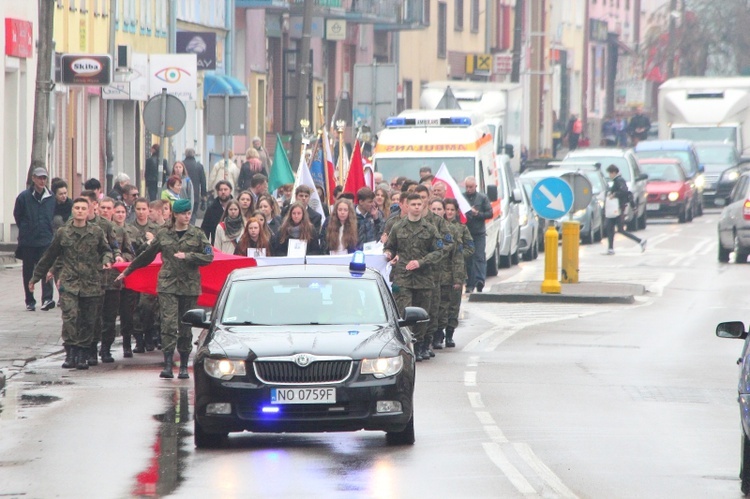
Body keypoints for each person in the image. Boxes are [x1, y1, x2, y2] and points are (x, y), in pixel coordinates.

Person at [116, 199, 214, 379]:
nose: (187, 216)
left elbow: (209, 256)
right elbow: (147, 256)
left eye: (189, 213)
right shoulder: (163, 234)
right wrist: (128, 270)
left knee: (185, 326)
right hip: (168, 285)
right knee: (168, 324)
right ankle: (168, 364)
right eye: (183, 213)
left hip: (189, 286)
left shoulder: (197, 234)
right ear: (175, 215)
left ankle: (184, 365)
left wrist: (189, 256)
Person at [30, 197, 113, 369]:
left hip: (91, 283)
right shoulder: (63, 232)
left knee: (88, 320)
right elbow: (49, 256)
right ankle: (70, 352)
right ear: (73, 211)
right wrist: (35, 277)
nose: (80, 211)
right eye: (77, 208)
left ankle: (82, 353)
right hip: (69, 282)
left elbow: (106, 250)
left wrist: (106, 260)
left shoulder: (96, 232)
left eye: (84, 208)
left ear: (89, 210)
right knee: (70, 317)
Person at [383, 193, 443, 361]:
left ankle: (421, 345)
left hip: (424, 278)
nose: (416, 207)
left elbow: (439, 251)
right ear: (407, 206)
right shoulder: (398, 227)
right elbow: (390, 247)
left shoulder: (430, 229)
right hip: (403, 277)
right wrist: (389, 254)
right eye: (413, 204)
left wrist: (421, 262)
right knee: (404, 312)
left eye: (419, 204)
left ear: (423, 206)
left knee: (422, 313)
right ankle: (408, 345)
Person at [14, 167, 56, 312]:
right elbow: (17, 215)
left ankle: (47, 299)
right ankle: (30, 300)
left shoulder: (51, 197)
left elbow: (53, 215)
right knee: (28, 271)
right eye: (39, 177)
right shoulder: (24, 197)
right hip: (28, 240)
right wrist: (26, 228)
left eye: (44, 178)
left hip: (46, 239)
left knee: (46, 268)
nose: (42, 180)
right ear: (33, 178)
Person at [122, 197, 159, 357]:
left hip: (152, 272)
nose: (141, 212)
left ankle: (150, 335)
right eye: (138, 209)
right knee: (136, 307)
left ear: (148, 210)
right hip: (136, 271)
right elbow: (132, 250)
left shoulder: (156, 229)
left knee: (149, 306)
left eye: (144, 209)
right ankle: (138, 338)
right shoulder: (130, 229)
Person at [99, 200, 135, 363]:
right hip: (93, 281)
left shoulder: (120, 231)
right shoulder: (92, 228)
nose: (106, 211)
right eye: (103, 208)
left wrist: (120, 260)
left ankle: (106, 348)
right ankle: (91, 349)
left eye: (108, 208)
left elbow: (130, 253)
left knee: (110, 317)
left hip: (113, 281)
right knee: (93, 318)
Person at [439, 198, 474, 348]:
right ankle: (439, 333)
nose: (449, 212)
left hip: (457, 272)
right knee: (441, 305)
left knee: (454, 305)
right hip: (442, 271)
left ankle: (450, 334)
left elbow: (471, 247)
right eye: (447, 209)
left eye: (452, 210)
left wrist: (459, 254)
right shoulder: (439, 227)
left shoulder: (462, 228)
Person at [604, 164, 647, 255]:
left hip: (618, 209)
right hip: (616, 209)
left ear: (614, 172)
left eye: (610, 173)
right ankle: (610, 248)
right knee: (610, 227)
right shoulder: (618, 180)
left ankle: (640, 241)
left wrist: (614, 195)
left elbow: (625, 192)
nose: (609, 175)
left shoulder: (619, 180)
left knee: (619, 229)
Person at [463, 176, 492, 293]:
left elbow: (489, 213)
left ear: (475, 186)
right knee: (468, 260)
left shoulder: (482, 198)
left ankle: (480, 281)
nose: (469, 189)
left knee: (479, 257)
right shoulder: (462, 198)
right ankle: (470, 284)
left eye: (471, 187)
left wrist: (477, 214)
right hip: (466, 233)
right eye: (467, 187)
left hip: (479, 233)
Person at [182, 148, 207, 224]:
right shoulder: (199, 166)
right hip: (195, 195)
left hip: (182, 193)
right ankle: (191, 230)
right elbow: (203, 182)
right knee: (193, 214)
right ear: (194, 154)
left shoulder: (181, 165)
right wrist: (203, 196)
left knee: (182, 214)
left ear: (185, 154)